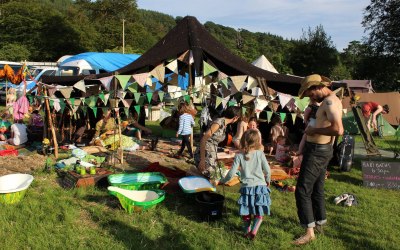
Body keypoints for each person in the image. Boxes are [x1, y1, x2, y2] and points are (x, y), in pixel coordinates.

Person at [293, 74, 343, 245]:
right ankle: (320, 223)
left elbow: (338, 130)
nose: (311, 98)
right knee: (317, 188)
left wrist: (314, 131)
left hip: (317, 151)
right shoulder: (331, 100)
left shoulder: (329, 102)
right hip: (322, 150)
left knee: (302, 189)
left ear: (316, 87)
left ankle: (309, 232)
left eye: (310, 94)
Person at [216, 129, 271, 240]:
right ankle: (254, 230)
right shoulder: (260, 154)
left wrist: (223, 180)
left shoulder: (239, 156)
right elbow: (268, 170)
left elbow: (231, 173)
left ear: (242, 140)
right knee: (258, 211)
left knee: (246, 211)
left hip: (247, 188)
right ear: (257, 142)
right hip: (260, 187)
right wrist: (268, 181)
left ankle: (247, 232)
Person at [194, 106, 241, 178]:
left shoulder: (224, 124)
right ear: (235, 117)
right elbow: (204, 139)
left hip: (211, 154)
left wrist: (222, 150)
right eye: (238, 118)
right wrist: (202, 160)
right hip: (203, 154)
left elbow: (213, 141)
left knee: (219, 175)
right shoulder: (218, 122)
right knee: (214, 176)